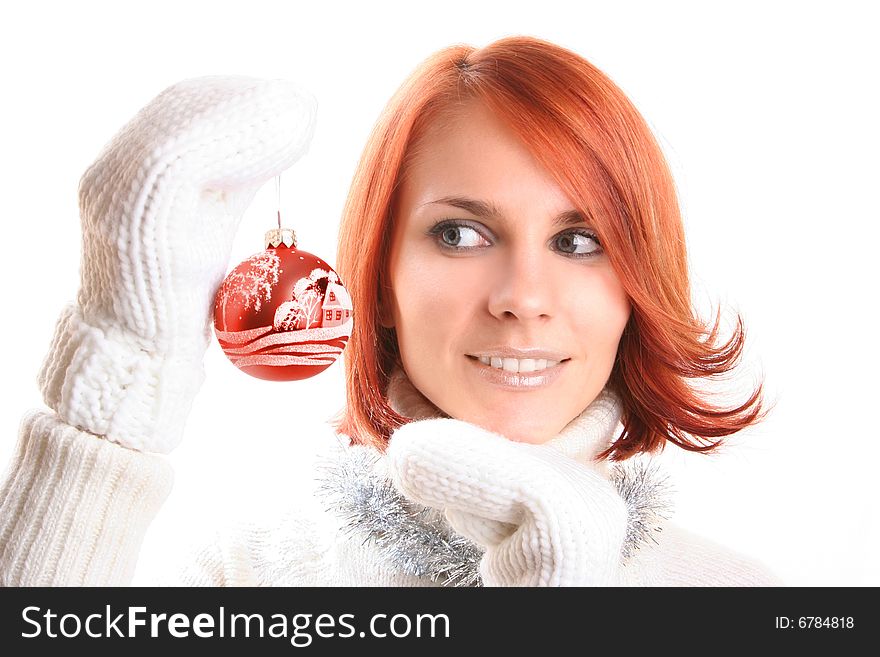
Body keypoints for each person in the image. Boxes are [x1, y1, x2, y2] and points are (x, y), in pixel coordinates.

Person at [0, 36, 781, 586]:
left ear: (637, 280)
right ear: (377, 276)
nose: (522, 298)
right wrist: (115, 399)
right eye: (461, 233)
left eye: (580, 241)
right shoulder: (243, 579)